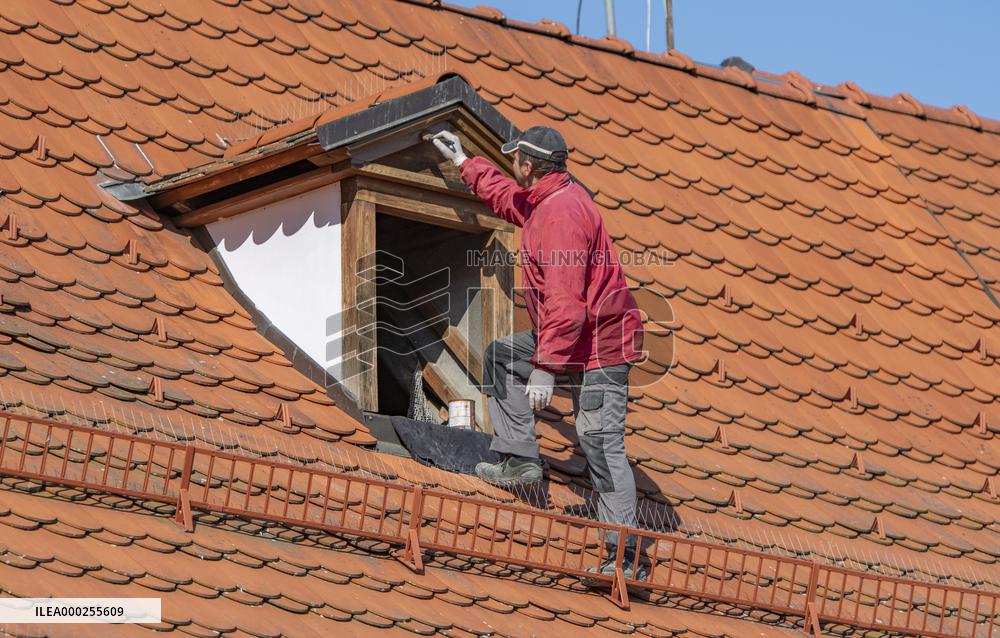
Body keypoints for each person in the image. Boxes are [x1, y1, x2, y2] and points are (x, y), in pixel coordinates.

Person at [432, 127, 647, 581]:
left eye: (514, 160)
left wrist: (546, 369)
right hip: (570, 336)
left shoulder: (563, 215)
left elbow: (568, 305)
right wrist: (465, 163)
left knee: (599, 442)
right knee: (503, 357)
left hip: (602, 344)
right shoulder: (546, 199)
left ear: (528, 165)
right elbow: (509, 199)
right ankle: (521, 459)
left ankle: (625, 557)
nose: (512, 166)